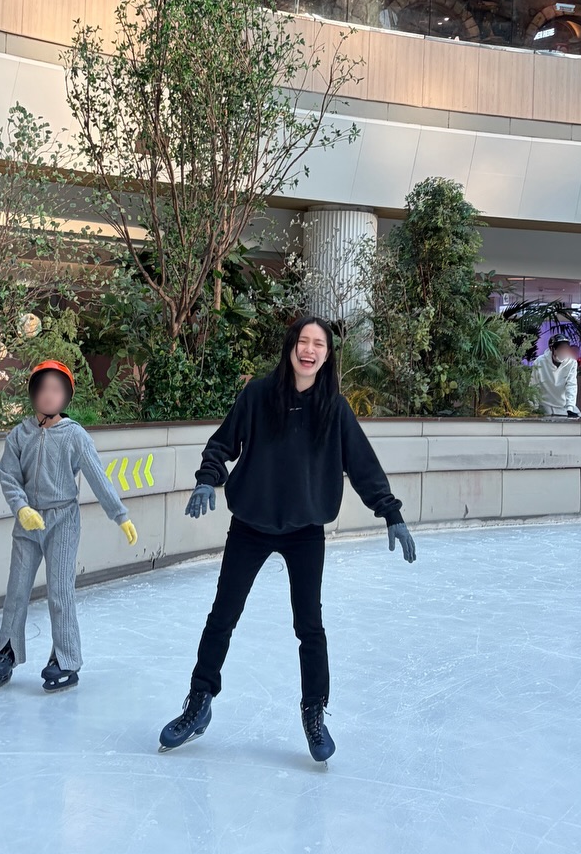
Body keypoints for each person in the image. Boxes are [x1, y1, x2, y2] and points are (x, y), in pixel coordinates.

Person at [157, 315, 418, 762]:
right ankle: (199, 702)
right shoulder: (258, 395)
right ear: (291, 346)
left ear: (327, 355)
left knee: (309, 626)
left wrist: (390, 511)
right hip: (251, 525)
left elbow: (363, 465)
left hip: (304, 532)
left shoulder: (334, 408)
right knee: (222, 616)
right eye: (303, 341)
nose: (309, 350)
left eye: (319, 344)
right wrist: (207, 478)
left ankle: (314, 713)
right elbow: (222, 444)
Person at [0, 360, 137, 692]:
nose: (48, 395)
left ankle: (65, 658)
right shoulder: (20, 435)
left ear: (66, 396)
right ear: (33, 394)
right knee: (16, 589)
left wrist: (120, 515)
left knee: (60, 590)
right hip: (28, 521)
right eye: (43, 389)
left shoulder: (74, 436)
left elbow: (97, 476)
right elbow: (8, 475)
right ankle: (7, 650)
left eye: (56, 390)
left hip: (62, 521)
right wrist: (21, 507)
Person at [532, 335, 581, 417]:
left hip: (563, 405)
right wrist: (534, 407)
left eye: (566, 349)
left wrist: (570, 407)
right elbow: (534, 385)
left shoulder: (572, 363)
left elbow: (571, 385)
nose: (563, 352)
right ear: (552, 349)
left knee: (578, 418)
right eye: (561, 349)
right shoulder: (540, 362)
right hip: (545, 404)